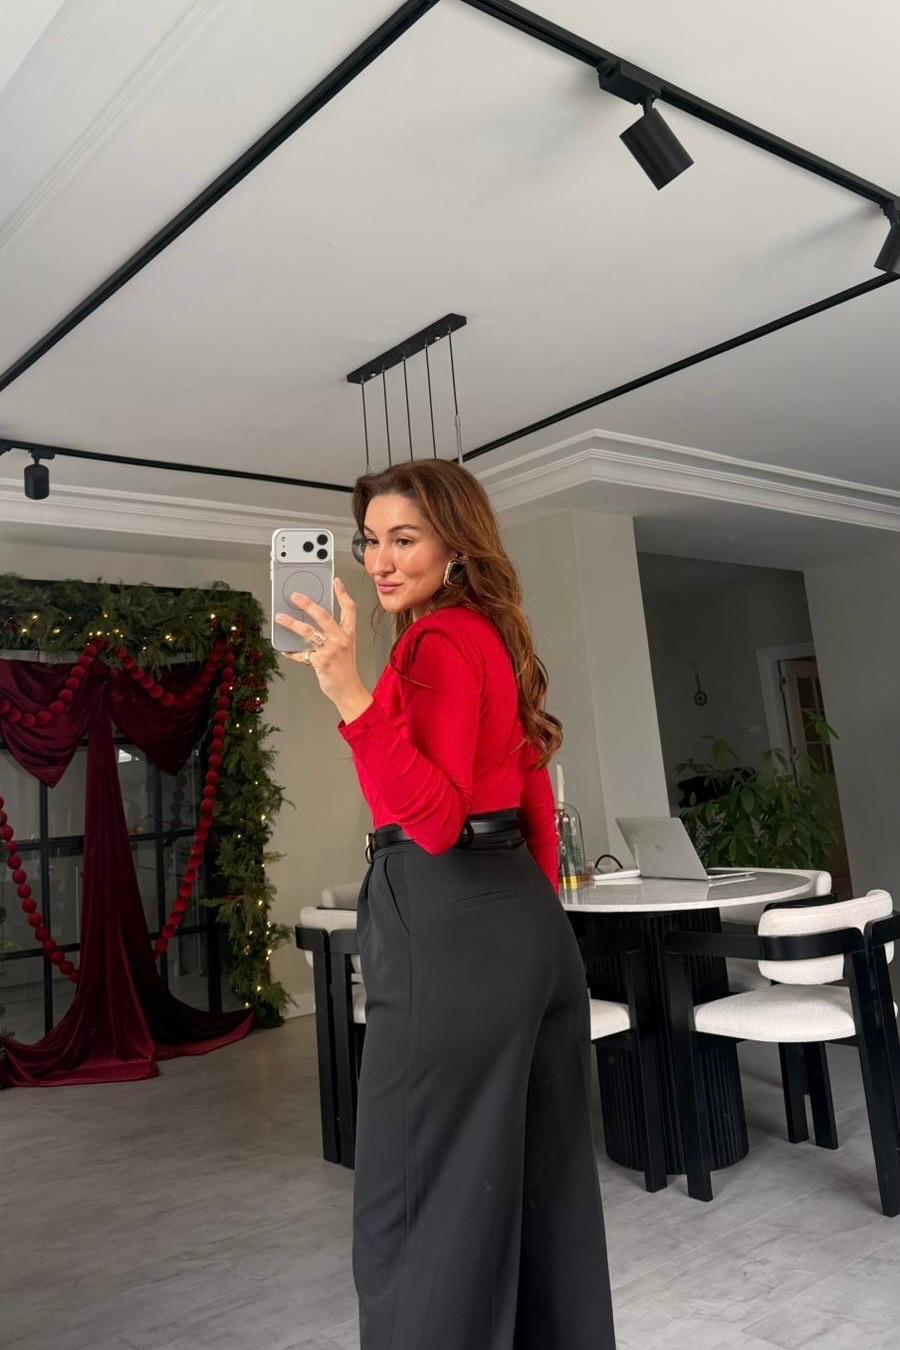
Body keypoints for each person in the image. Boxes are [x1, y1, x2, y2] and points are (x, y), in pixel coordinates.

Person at [275, 458, 616, 1350]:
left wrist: (347, 690)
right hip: (521, 924)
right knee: (540, 1191)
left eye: (405, 538)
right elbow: (532, 801)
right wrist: (531, 926)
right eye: (369, 542)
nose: (380, 562)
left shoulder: (434, 644)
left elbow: (430, 822)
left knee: (414, 1202)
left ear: (455, 544)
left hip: (448, 916)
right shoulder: (491, 638)